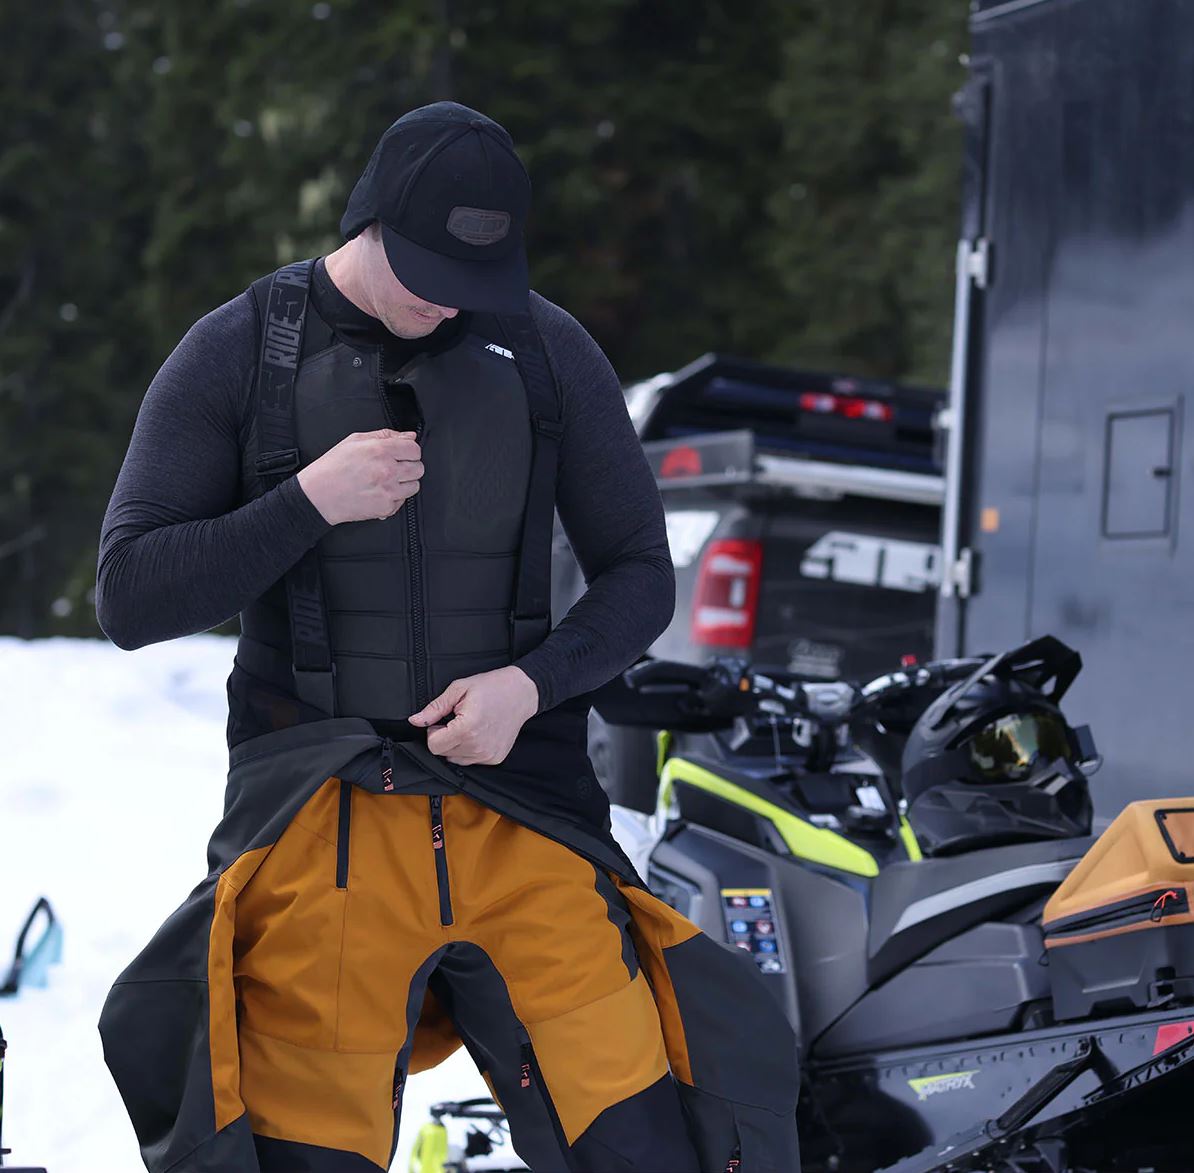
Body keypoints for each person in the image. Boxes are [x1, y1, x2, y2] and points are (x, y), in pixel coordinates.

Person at [94, 101, 801, 1173]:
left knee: (655, 1149)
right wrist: (308, 501)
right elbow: (130, 598)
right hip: (319, 833)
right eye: (426, 269)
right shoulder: (244, 347)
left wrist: (533, 683)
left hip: (527, 821)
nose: (448, 304)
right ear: (367, 219)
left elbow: (640, 574)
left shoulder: (546, 347)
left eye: (476, 279)